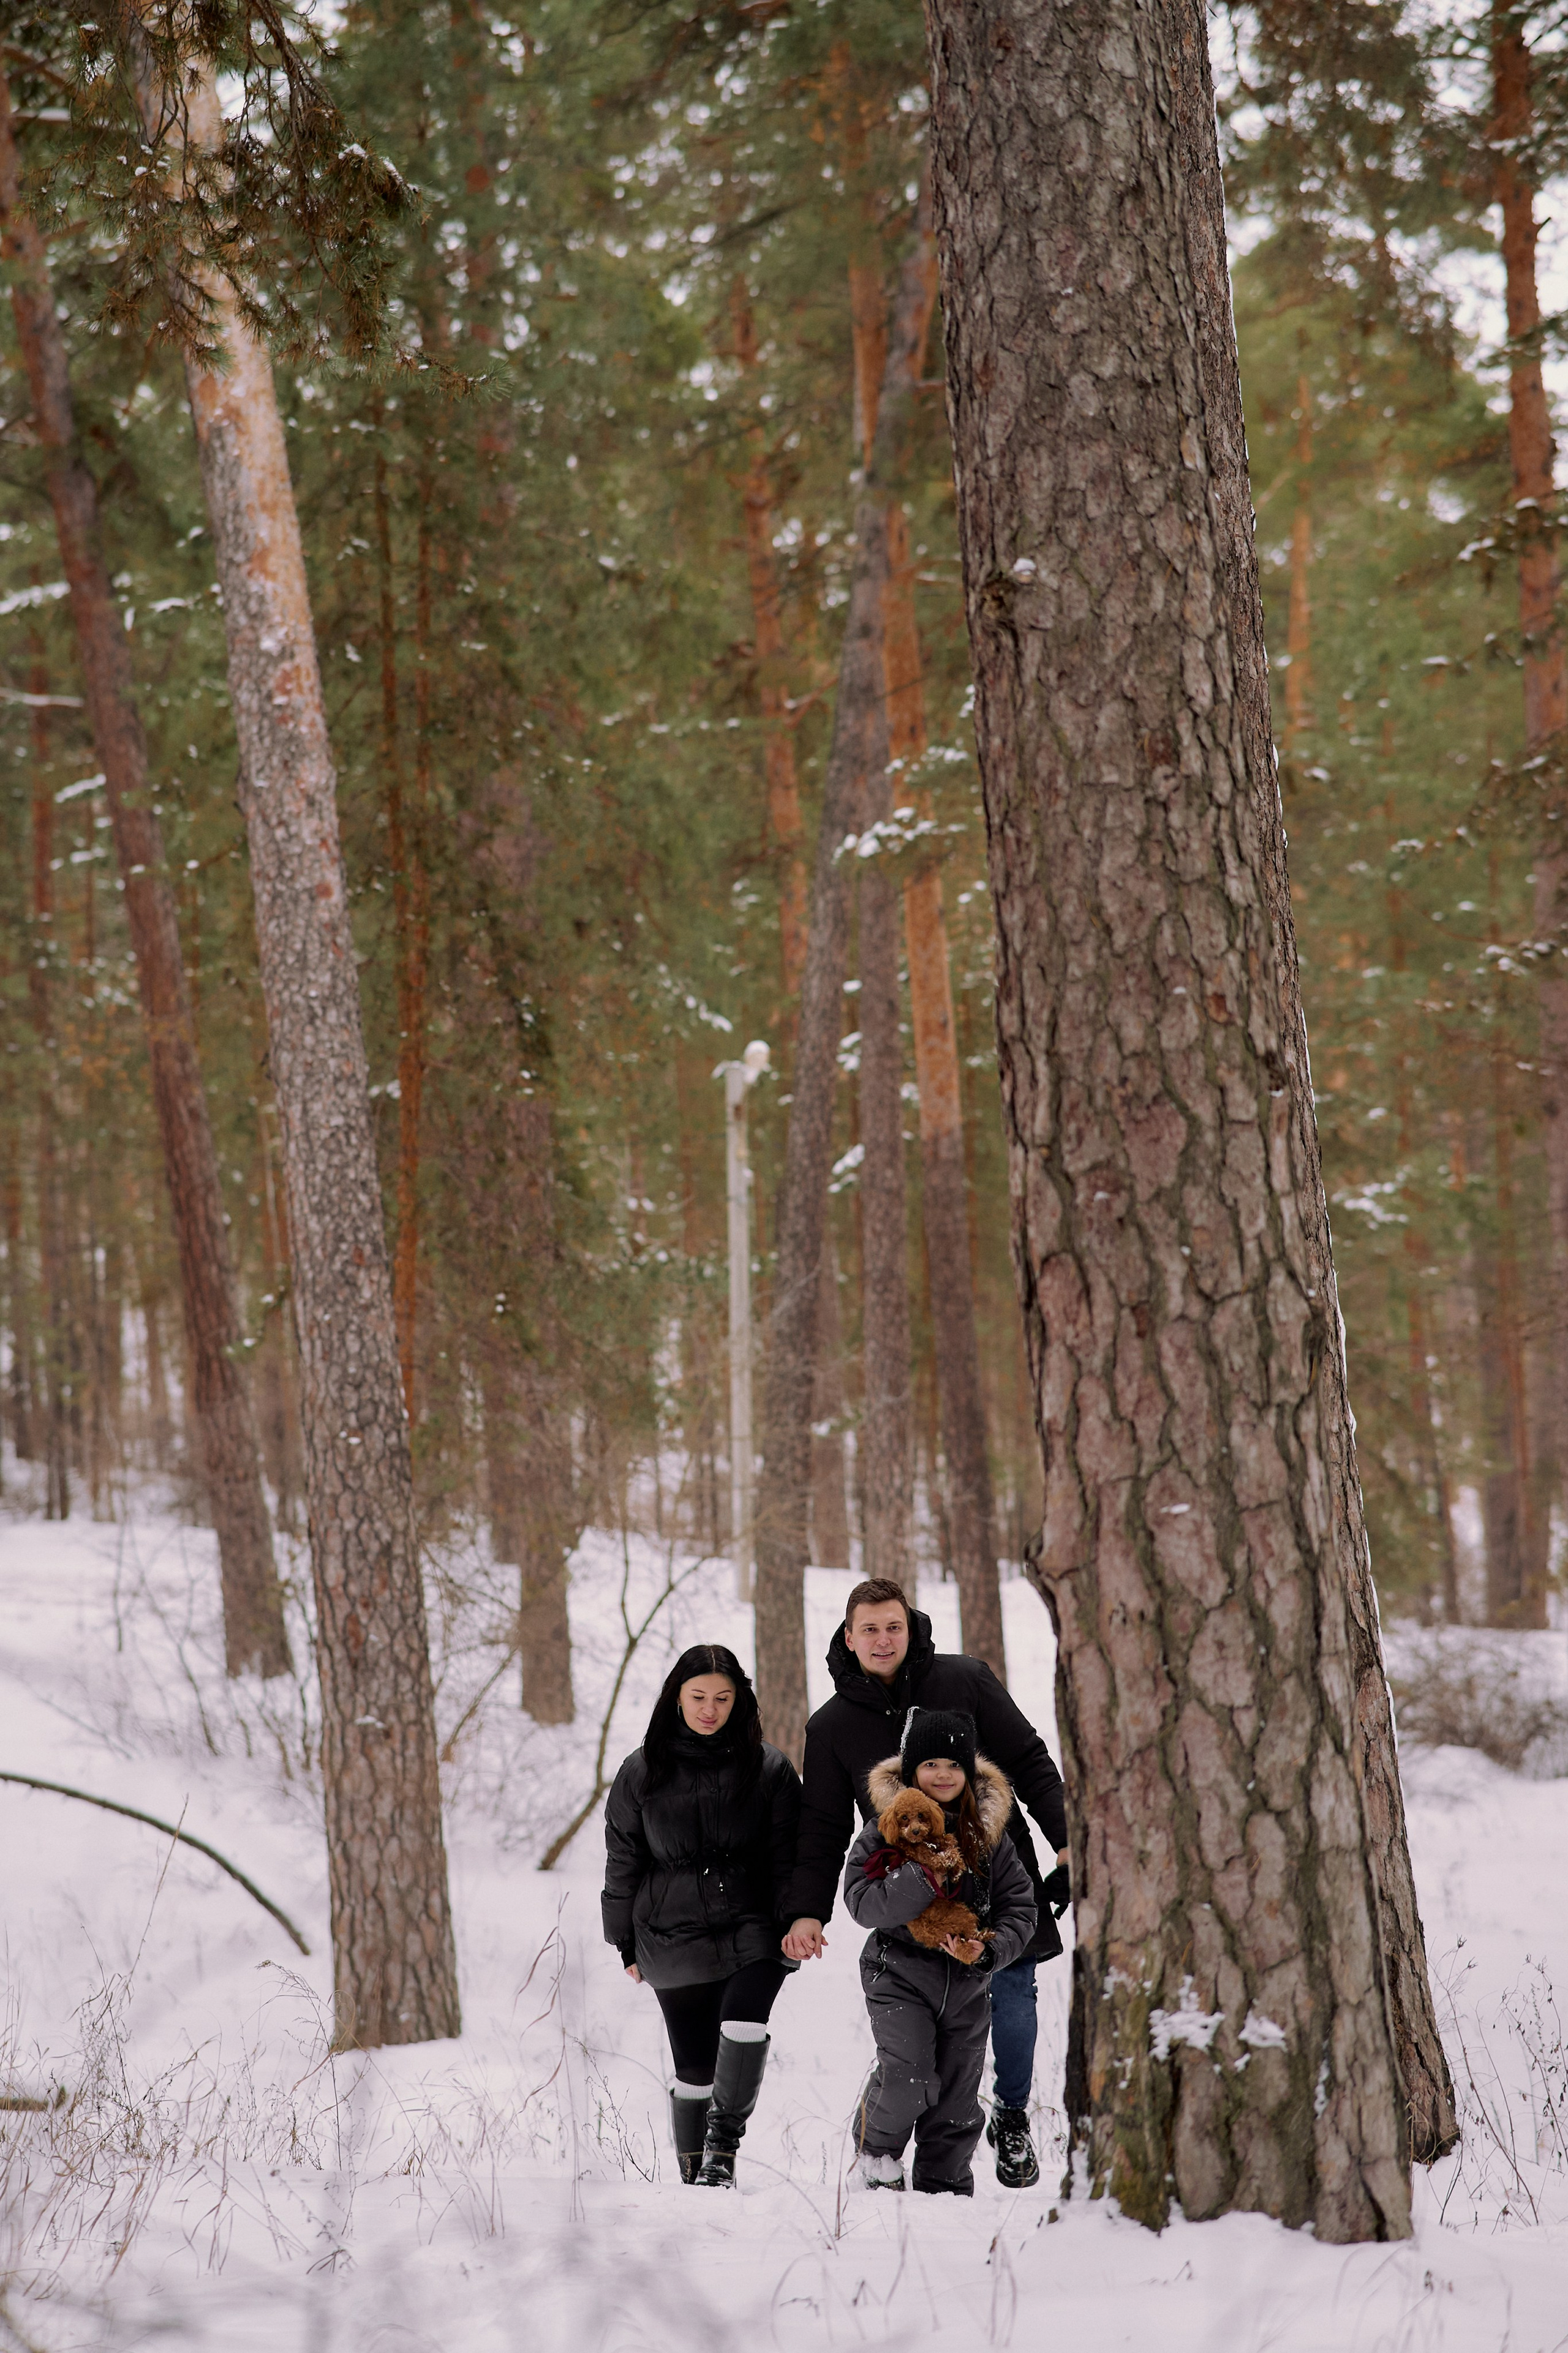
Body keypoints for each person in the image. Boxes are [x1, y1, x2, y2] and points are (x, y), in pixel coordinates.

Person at [781, 1577, 1069, 2188]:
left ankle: (1011, 2115)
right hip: (912, 1896)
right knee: (928, 2040)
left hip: (996, 1865)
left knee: (1014, 1990)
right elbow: (822, 1826)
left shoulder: (963, 1678)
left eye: (893, 1625)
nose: (883, 1639)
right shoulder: (831, 1724)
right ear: (848, 1635)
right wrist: (808, 1910)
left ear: (909, 1625)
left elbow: (1028, 1756)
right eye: (870, 1628)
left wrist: (1068, 1840)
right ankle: (885, 2133)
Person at [602, 1644, 801, 2186]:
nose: (710, 1709)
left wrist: (797, 1918)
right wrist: (624, 1942)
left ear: (740, 1702)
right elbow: (623, 1862)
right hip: (670, 1933)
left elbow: (790, 1857)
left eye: (722, 1698)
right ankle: (695, 2185)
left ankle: (721, 2151)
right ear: (677, 1699)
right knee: (693, 2068)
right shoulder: (641, 1772)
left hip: (754, 1927)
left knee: (744, 2019)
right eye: (698, 1698)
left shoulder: (770, 1769)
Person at [844, 1707, 1036, 2194]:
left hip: (967, 1984)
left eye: (954, 1765)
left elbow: (1021, 1909)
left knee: (957, 2095)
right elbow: (862, 1902)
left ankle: (945, 2185)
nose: (943, 1775)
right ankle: (879, 2156)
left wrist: (988, 1952)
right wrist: (921, 1876)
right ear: (912, 1772)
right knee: (909, 2074)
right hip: (898, 1972)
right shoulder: (882, 1830)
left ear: (969, 1772)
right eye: (931, 1765)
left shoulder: (987, 1837)